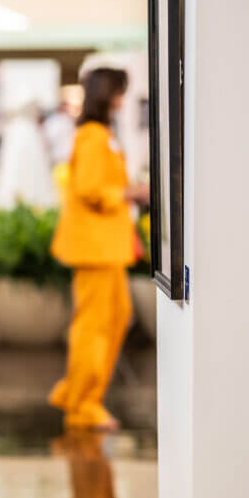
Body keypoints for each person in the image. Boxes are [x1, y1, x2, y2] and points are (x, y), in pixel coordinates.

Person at [48, 68, 148, 431]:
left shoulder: (100, 135)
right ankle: (83, 404)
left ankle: (75, 392)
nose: (123, 99)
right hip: (95, 249)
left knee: (115, 317)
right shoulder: (92, 136)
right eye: (119, 92)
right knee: (95, 327)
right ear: (108, 95)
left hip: (106, 248)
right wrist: (133, 193)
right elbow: (90, 189)